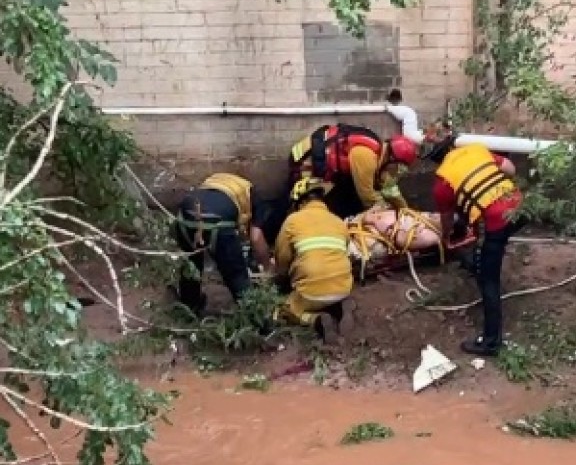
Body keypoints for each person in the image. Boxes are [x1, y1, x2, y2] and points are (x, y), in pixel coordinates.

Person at [426, 135, 528, 357]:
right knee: (483, 241)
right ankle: (475, 262)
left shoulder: (442, 182)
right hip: (522, 210)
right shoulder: (476, 150)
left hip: (495, 222)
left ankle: (491, 342)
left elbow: (446, 218)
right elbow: (510, 168)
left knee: (488, 280)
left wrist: (445, 239)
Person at [171, 172, 278, 319]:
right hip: (217, 223)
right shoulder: (253, 196)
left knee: (191, 265)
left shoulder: (215, 182)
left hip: (184, 216)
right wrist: (267, 268)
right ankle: (258, 322)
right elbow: (256, 237)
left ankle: (189, 308)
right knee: (237, 276)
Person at [273, 177, 355, 343]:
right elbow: (344, 252)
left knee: (284, 311)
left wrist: (281, 281)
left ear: (300, 203)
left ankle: (317, 320)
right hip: (343, 286)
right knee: (330, 290)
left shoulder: (292, 221)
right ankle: (341, 307)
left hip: (310, 292)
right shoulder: (338, 221)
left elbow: (282, 260)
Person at [286, 123, 419, 220]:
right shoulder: (365, 157)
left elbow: (389, 188)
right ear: (391, 159)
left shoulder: (380, 154)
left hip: (317, 161)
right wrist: (388, 211)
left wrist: (406, 211)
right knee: (316, 211)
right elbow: (367, 198)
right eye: (397, 167)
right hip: (305, 167)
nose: (396, 171)